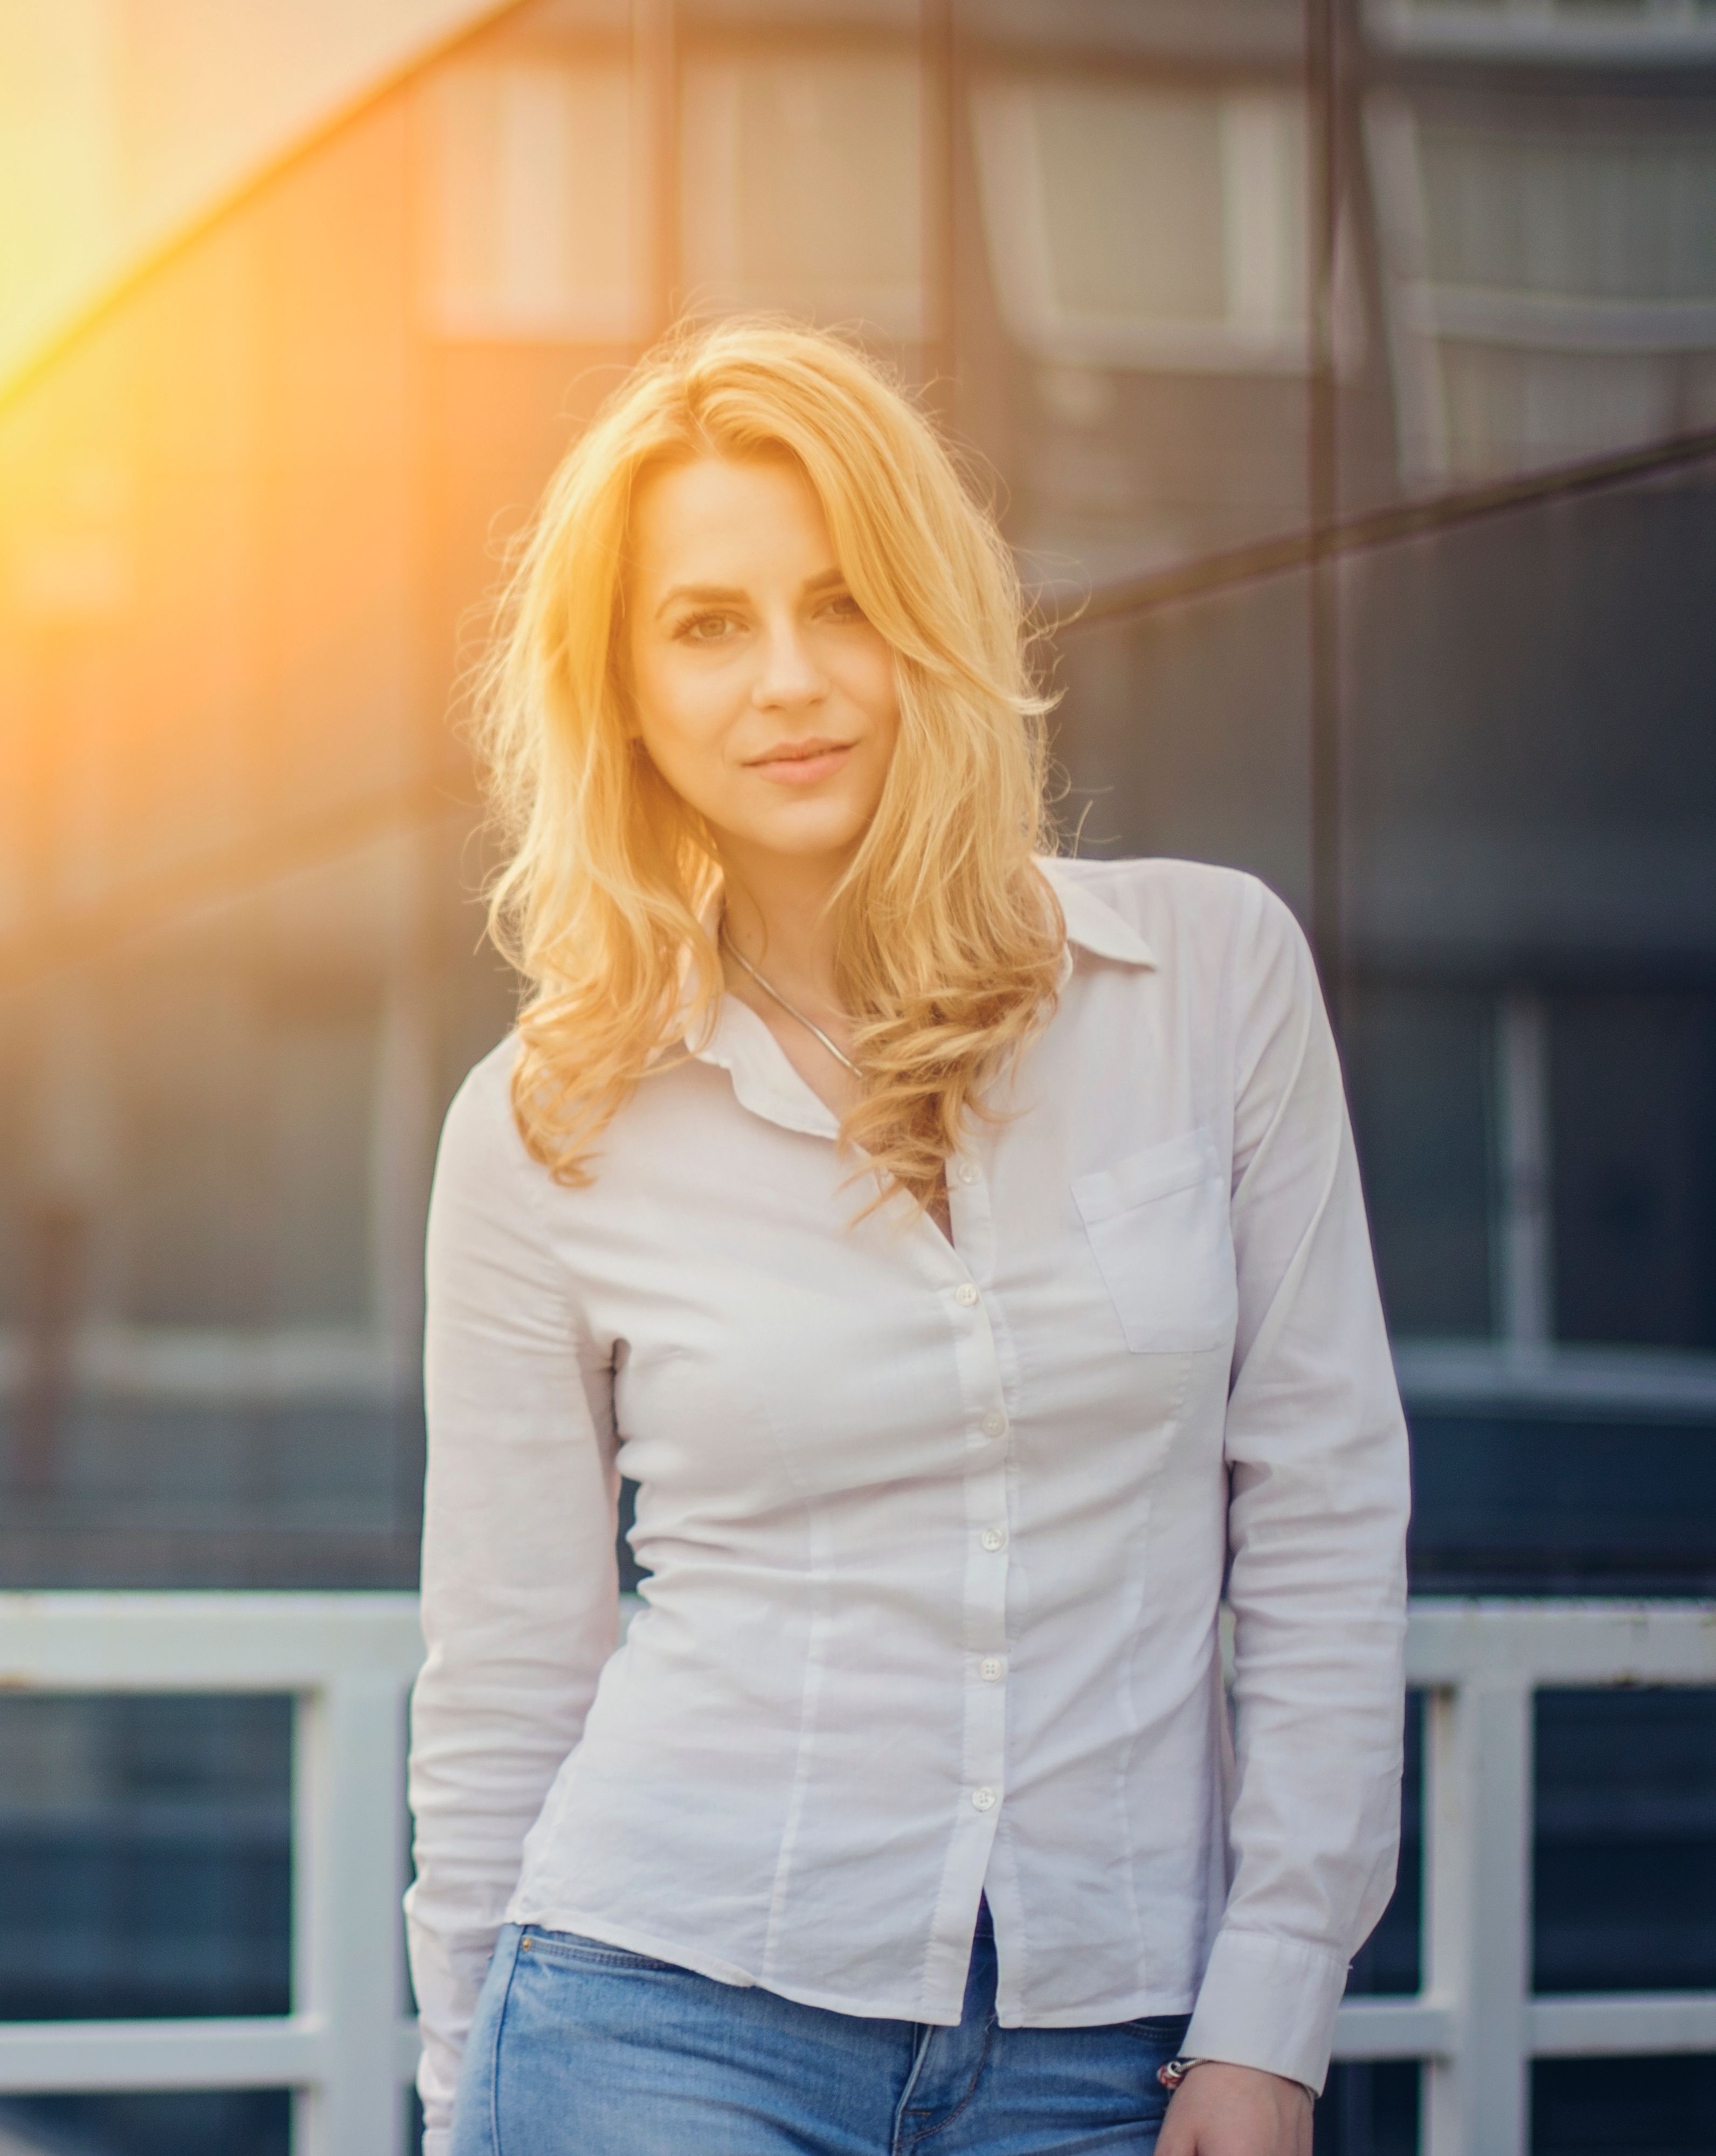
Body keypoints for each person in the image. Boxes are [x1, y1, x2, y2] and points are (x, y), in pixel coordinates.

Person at [406, 317, 1409, 2156]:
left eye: (844, 601)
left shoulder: (1212, 981)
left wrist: (1274, 2013)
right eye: (707, 626)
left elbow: (1327, 1516)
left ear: (933, 622)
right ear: (622, 692)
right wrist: (466, 2095)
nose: (789, 679)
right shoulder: (542, 1125)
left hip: (1118, 2050)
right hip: (655, 2020)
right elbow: (506, 1666)